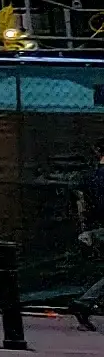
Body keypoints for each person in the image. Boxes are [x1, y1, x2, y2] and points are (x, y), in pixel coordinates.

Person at [76, 142, 104, 332]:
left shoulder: (89, 178)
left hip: (96, 230)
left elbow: (81, 205)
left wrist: (86, 230)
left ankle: (85, 304)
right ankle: (84, 303)